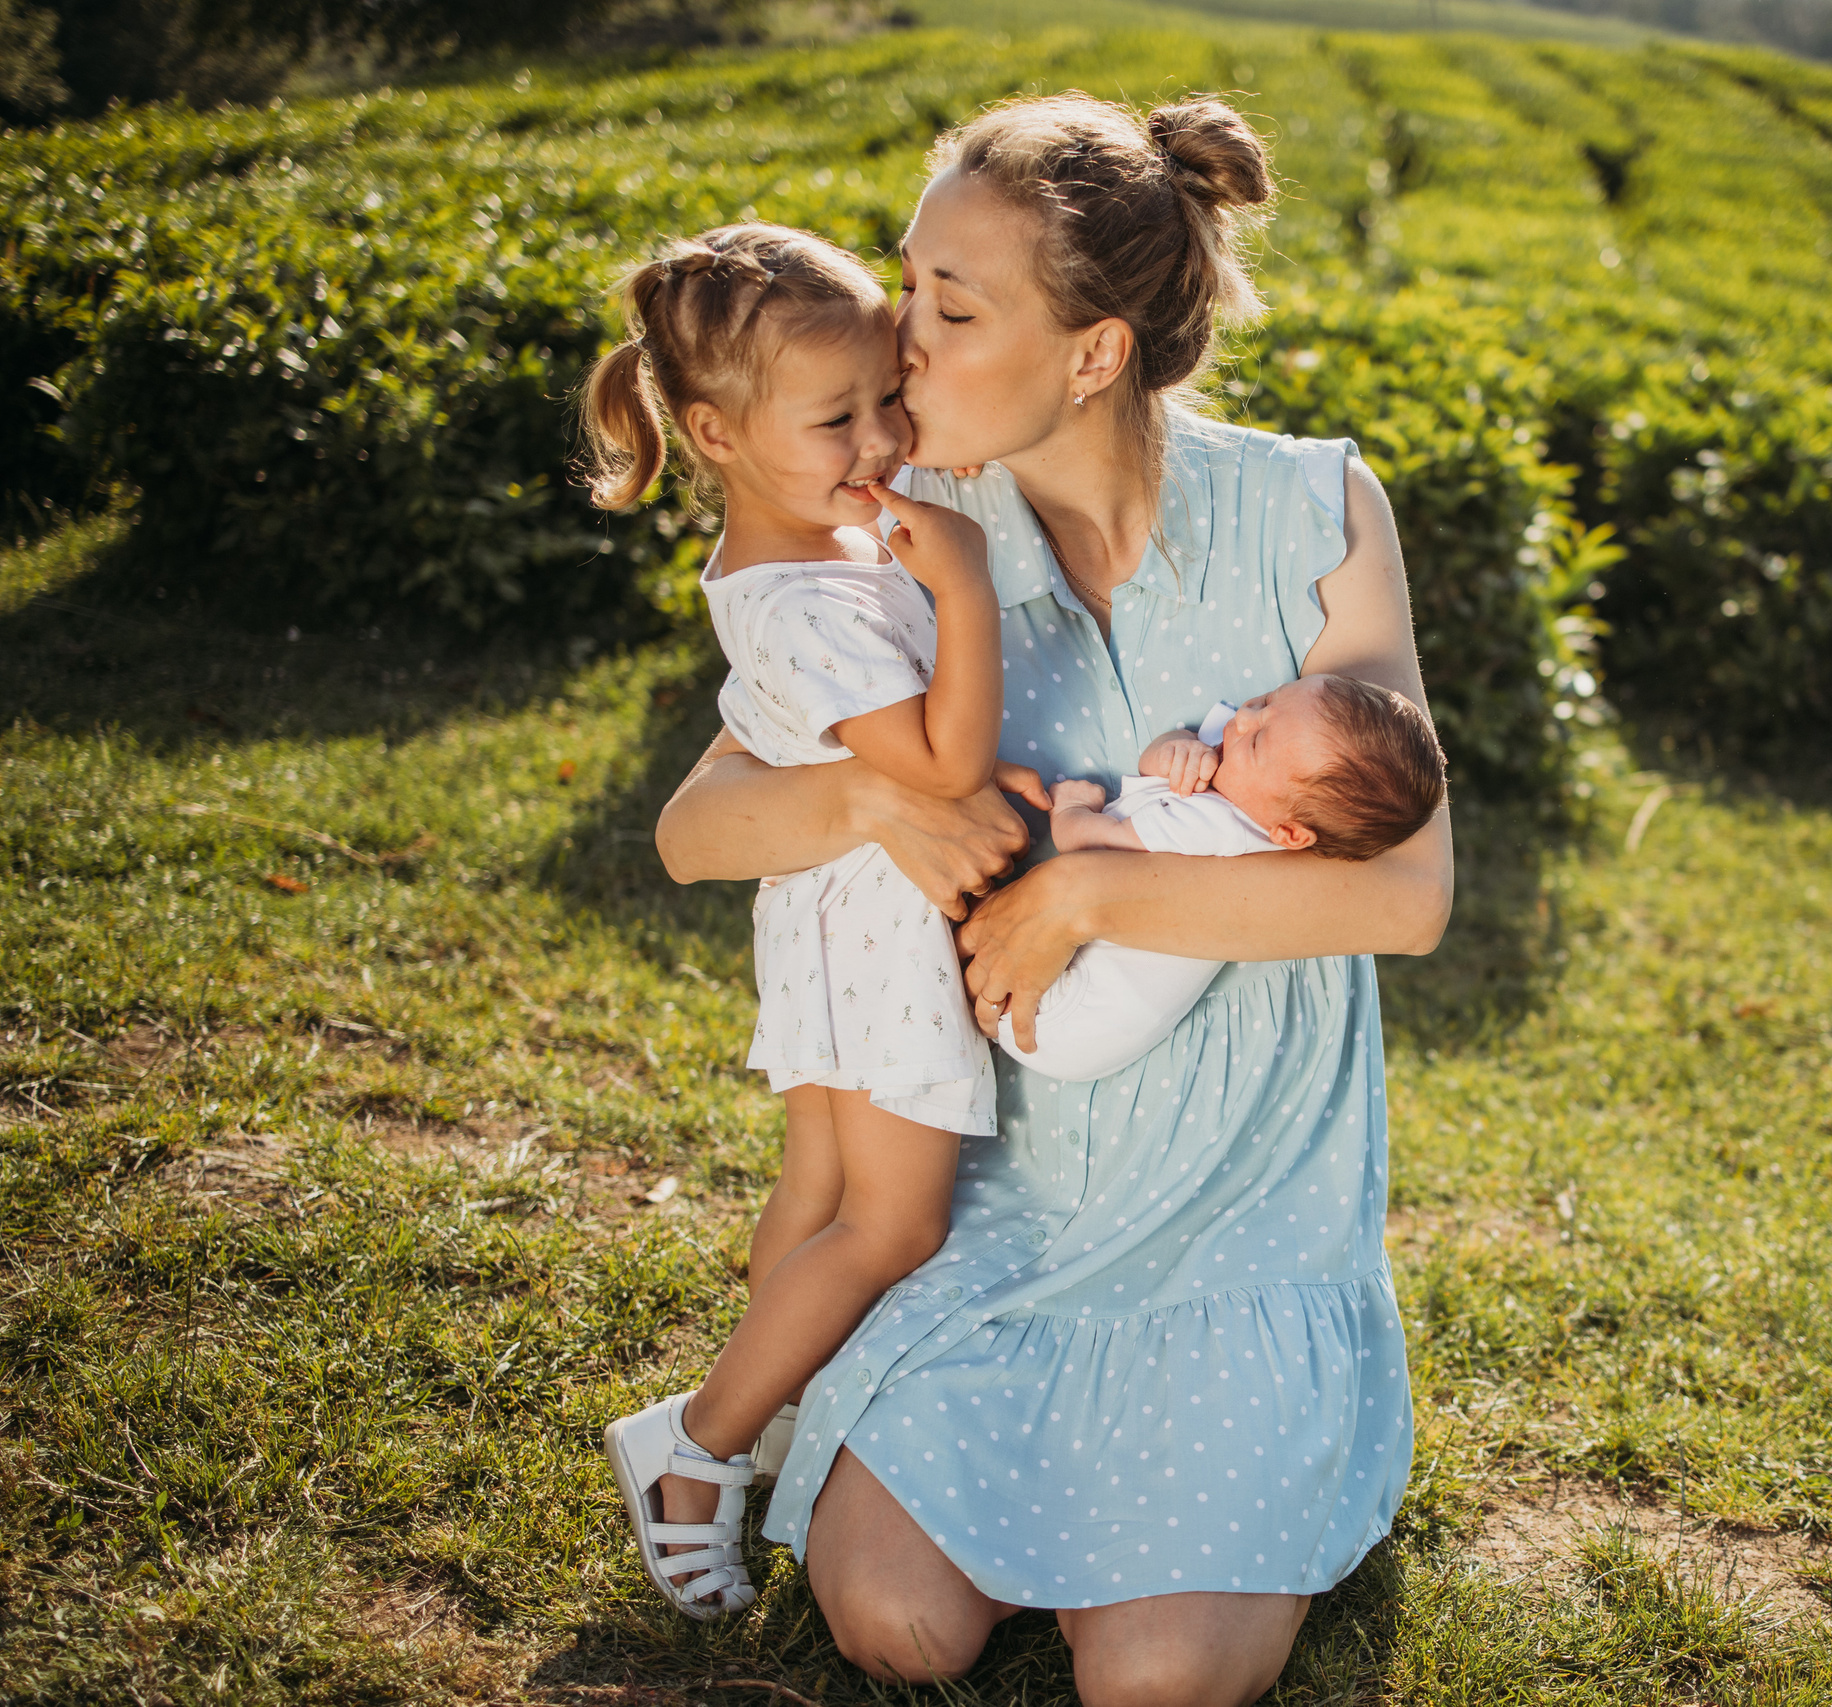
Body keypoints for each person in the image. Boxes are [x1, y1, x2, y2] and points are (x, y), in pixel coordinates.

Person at [654, 91, 1452, 1707]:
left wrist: (1085, 887)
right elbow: (697, 829)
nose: (897, 336)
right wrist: (873, 794)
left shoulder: (1314, 512)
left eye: (951, 307)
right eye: (905, 283)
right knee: (894, 1620)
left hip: (1241, 1215)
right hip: (1004, 1203)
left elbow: (1408, 895)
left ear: (1091, 351)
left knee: (1154, 1679)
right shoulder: (906, 546)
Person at [576, 221, 1047, 1620]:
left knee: (821, 1195)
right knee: (891, 1225)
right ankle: (698, 1446)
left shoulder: (814, 551)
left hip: (833, 923)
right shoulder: (815, 600)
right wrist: (959, 582)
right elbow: (941, 768)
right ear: (715, 435)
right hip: (882, 941)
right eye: (837, 417)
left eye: (885, 400)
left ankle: (763, 1417)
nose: (881, 436)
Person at [1007, 674, 1445, 1082]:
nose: (1242, 718)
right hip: (1076, 1026)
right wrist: (1177, 748)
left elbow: (1087, 848)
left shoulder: (1209, 828)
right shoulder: (1259, 787)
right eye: (1265, 701)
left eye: (1255, 742)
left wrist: (1071, 809)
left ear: (1289, 833)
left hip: (1062, 1016)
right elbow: (1157, 765)